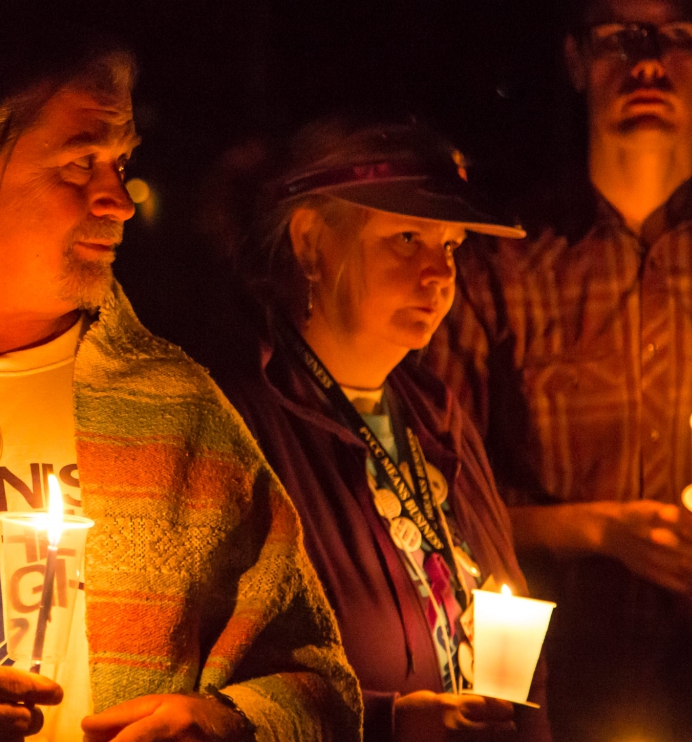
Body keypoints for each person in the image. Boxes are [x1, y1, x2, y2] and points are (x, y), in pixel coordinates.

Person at [0, 32, 361, 742]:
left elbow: (320, 681)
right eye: (81, 163)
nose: (119, 201)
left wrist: (225, 722)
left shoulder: (172, 413)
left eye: (122, 162)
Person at [426, 1, 692, 740]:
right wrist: (593, 531)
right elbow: (433, 496)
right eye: (620, 37)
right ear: (574, 60)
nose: (647, 63)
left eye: (675, 37)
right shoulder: (502, 266)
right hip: (560, 690)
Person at [199, 118, 552, 742]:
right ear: (310, 243)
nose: (439, 275)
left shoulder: (437, 416)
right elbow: (215, 691)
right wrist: (390, 723)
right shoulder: (238, 430)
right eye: (407, 238)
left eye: (450, 246)